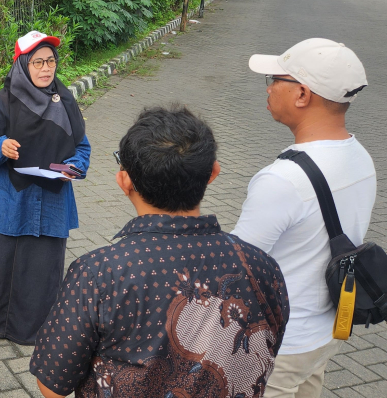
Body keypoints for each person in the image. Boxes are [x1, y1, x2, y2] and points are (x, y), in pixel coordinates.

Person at [32, 106, 290, 398]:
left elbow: (52, 384)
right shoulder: (262, 266)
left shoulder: (98, 273)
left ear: (124, 181)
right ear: (213, 173)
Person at [232, 38, 373, 398]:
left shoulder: (283, 179)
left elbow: (236, 267)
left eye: (274, 80)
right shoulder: (360, 156)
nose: (268, 89)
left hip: (283, 343)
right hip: (327, 329)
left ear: (302, 94)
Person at [0, 30, 91, 345]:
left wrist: (72, 169)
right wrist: (2, 146)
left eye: (50, 61)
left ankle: (36, 330)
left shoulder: (65, 101)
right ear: (23, 65)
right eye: (37, 62)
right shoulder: (4, 101)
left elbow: (82, 150)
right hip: (10, 200)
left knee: (42, 269)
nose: (46, 68)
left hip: (52, 201)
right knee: (1, 265)